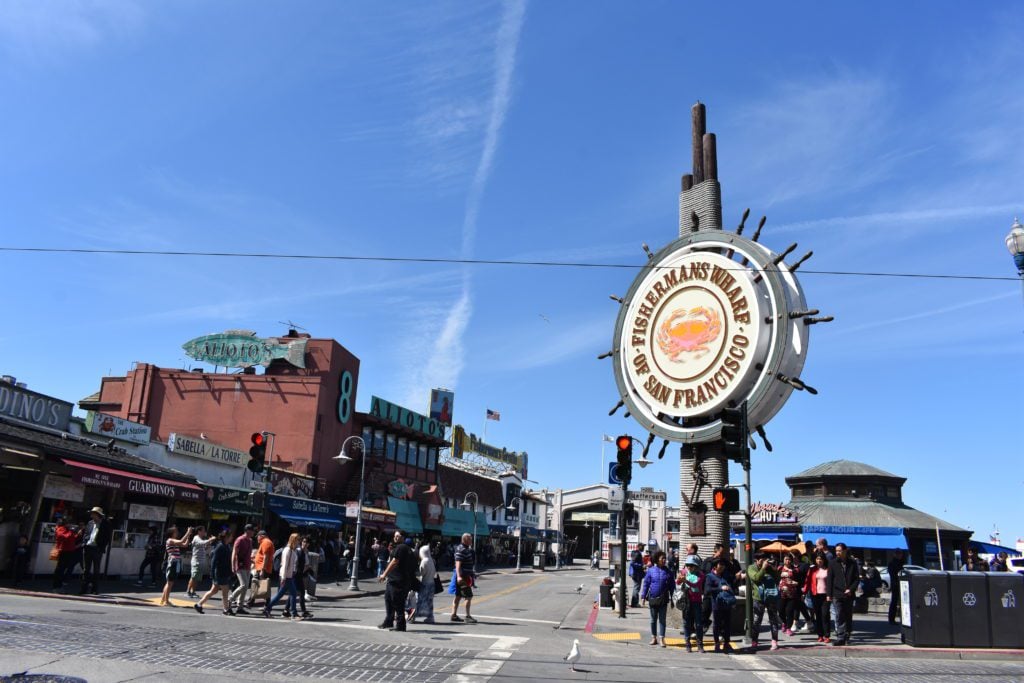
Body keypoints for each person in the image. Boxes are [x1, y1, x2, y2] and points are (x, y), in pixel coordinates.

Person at [378, 530, 416, 631]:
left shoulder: (401, 547)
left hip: (398, 581)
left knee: (397, 603)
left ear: (403, 537)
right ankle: (389, 621)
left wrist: (384, 574)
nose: (395, 537)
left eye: (398, 536)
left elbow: (395, 561)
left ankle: (400, 625)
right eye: (395, 536)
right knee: (389, 600)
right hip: (397, 580)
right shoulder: (407, 549)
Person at [194, 529, 235, 616]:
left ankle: (199, 604)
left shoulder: (227, 546)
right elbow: (214, 561)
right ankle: (226, 609)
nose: (232, 538)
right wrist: (212, 573)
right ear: (226, 537)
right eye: (231, 536)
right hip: (220, 572)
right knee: (225, 591)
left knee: (214, 590)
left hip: (224, 572)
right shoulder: (220, 546)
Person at [748, 553, 783, 650]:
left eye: (765, 560)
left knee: (773, 620)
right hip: (758, 598)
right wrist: (763, 569)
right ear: (757, 560)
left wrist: (774, 570)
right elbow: (756, 578)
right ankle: (755, 641)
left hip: (771, 597)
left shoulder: (769, 568)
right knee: (757, 621)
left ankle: (774, 641)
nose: (764, 562)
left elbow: (777, 580)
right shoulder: (751, 568)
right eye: (761, 560)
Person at [826, 542, 858, 646]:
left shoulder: (852, 563)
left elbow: (856, 579)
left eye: (839, 551)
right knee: (839, 615)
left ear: (845, 551)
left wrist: (851, 589)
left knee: (848, 615)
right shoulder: (832, 563)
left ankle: (847, 635)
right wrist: (828, 594)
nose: (837, 553)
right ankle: (840, 636)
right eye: (836, 551)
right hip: (837, 593)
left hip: (849, 594)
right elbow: (829, 579)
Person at [263, 532, 300, 619]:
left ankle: (267, 609)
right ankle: (293, 614)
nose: (299, 541)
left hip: (289, 576)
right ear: (293, 540)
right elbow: (284, 565)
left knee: (281, 595)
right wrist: (283, 577)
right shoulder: (288, 551)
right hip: (286, 577)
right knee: (292, 594)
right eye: (298, 539)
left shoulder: (292, 550)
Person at [641, 550, 673, 647]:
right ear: (657, 559)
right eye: (662, 558)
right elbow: (646, 584)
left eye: (665, 558)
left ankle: (662, 639)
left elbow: (672, 585)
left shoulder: (668, 571)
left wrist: (673, 598)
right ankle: (653, 638)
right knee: (653, 619)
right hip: (653, 598)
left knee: (662, 620)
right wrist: (643, 596)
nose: (664, 560)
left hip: (664, 599)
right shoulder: (651, 570)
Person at [704, 558, 736, 654]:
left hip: (727, 604)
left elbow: (732, 586)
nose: (722, 566)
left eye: (723, 564)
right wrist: (719, 588)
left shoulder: (725, 576)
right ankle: (717, 643)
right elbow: (707, 590)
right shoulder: (710, 577)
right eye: (720, 564)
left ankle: (726, 643)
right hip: (717, 604)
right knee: (717, 624)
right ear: (715, 566)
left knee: (727, 624)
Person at [80, 506, 112, 595]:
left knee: (96, 569)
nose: (92, 516)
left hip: (97, 549)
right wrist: (84, 542)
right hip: (88, 547)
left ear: (98, 515)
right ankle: (84, 588)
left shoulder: (105, 524)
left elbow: (107, 537)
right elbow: (86, 533)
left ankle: (95, 589)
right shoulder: (90, 523)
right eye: (92, 514)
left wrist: (101, 547)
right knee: (86, 569)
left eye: (93, 514)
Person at [159, 526, 194, 606]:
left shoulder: (174, 541)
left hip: (175, 562)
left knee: (169, 583)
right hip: (173, 562)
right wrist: (188, 532)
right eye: (176, 531)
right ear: (172, 533)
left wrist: (189, 536)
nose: (177, 533)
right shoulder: (170, 540)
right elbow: (182, 541)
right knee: (170, 583)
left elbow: (185, 545)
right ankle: (166, 601)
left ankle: (163, 599)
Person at [678, 554, 705, 653]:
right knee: (686, 623)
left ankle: (700, 644)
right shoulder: (684, 572)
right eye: (688, 565)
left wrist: (686, 580)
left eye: (692, 565)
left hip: (697, 601)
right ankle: (687, 643)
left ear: (696, 566)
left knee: (698, 623)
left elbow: (696, 584)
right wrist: (679, 579)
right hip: (686, 601)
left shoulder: (701, 575)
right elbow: (677, 582)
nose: (689, 567)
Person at [449, 532, 478, 623]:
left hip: (464, 575)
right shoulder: (462, 549)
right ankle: (467, 616)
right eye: (470, 539)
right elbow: (458, 564)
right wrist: (458, 576)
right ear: (465, 539)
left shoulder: (465, 549)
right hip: (463, 577)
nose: (471, 541)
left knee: (458, 596)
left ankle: (454, 615)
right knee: (468, 596)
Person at [227, 524, 254, 613]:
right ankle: (230, 599)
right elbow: (234, 553)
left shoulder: (250, 541)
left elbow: (248, 554)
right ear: (247, 531)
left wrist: (251, 561)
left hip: (247, 566)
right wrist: (233, 566)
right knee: (243, 585)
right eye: (252, 530)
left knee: (245, 587)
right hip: (240, 566)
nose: (253, 532)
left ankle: (240, 607)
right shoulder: (240, 540)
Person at [804, 553, 830, 642]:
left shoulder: (828, 569)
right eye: (817, 559)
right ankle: (820, 635)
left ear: (824, 560)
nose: (819, 560)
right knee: (818, 615)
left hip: (826, 595)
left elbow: (831, 582)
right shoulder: (812, 569)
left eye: (821, 559)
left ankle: (827, 635)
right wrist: (804, 592)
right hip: (815, 594)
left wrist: (830, 594)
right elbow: (807, 582)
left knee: (825, 615)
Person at [52, 516, 82, 591]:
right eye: (69, 523)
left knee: (66, 568)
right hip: (63, 551)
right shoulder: (60, 529)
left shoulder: (68, 530)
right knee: (60, 569)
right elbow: (63, 537)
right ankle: (56, 586)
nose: (70, 525)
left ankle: (61, 585)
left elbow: (73, 539)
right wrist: (72, 533)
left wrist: (77, 534)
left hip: (70, 551)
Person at [248, 529, 275, 608]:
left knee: (257, 584)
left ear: (261, 536)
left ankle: (251, 602)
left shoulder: (265, 542)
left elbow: (266, 557)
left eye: (258, 537)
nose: (257, 539)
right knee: (263, 585)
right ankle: (253, 602)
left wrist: (263, 570)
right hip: (263, 568)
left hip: (262, 568)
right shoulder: (266, 542)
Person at [186, 525, 216, 599]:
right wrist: (210, 539)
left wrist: (210, 541)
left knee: (197, 578)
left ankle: (193, 591)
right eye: (203, 530)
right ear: (199, 531)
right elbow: (202, 543)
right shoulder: (196, 538)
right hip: (196, 561)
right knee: (193, 577)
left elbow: (204, 547)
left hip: (200, 561)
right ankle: (188, 591)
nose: (204, 532)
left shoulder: (200, 539)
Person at [411, 543, 437, 624]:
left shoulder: (424, 561)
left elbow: (421, 573)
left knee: (419, 600)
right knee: (429, 601)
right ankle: (430, 617)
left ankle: (413, 616)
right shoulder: (431, 560)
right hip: (432, 583)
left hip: (425, 583)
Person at [778, 553, 802, 635]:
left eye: (789, 559)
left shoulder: (795, 570)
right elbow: (776, 578)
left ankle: (788, 628)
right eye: (786, 559)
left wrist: (796, 583)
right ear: (783, 560)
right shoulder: (779, 568)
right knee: (781, 611)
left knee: (789, 611)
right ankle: (784, 623)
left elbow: (800, 581)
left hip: (792, 594)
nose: (787, 561)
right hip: (781, 593)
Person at [293, 536, 314, 619]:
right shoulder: (298, 551)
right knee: (299, 592)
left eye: (306, 542)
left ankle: (287, 610)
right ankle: (303, 611)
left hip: (299, 575)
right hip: (295, 575)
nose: (304, 543)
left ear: (308, 544)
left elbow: (306, 564)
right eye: (303, 541)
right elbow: (295, 563)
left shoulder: (305, 552)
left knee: (295, 593)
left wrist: (308, 569)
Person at [886, 549, 906, 624]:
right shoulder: (893, 563)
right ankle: (891, 618)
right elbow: (894, 574)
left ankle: (901, 617)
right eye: (899, 554)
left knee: (900, 602)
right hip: (896, 584)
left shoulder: (900, 563)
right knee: (894, 602)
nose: (901, 556)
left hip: (900, 584)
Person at [629, 543, 645, 608]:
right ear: (639, 547)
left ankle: (634, 602)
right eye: (643, 546)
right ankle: (635, 603)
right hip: (637, 574)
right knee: (636, 588)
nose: (643, 548)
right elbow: (633, 563)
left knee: (636, 588)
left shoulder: (635, 553)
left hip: (635, 573)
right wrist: (642, 566)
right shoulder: (637, 553)